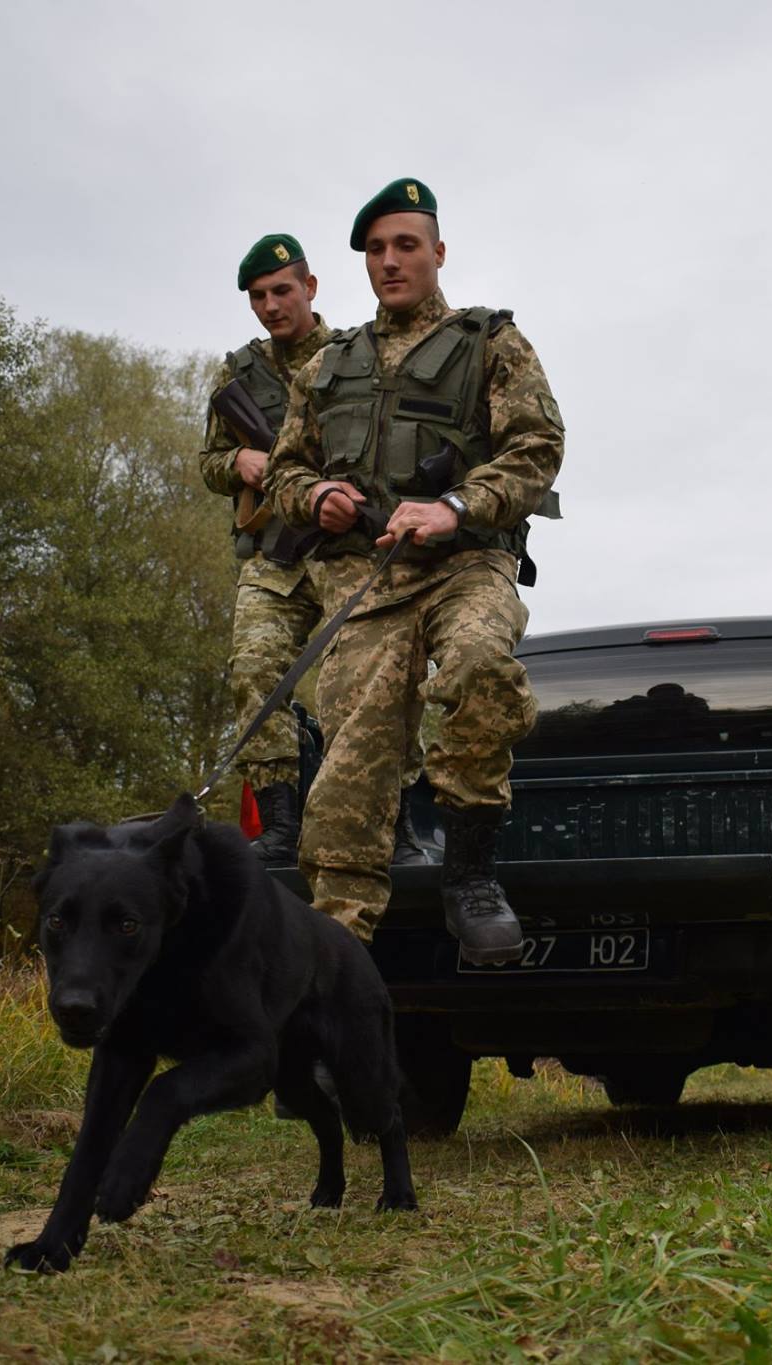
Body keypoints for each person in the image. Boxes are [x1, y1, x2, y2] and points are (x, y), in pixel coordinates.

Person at [264, 178, 563, 961]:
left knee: (478, 667)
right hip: (368, 581)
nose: (390, 261)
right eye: (375, 249)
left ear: (437, 253)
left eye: (405, 245)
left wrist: (457, 507)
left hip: (466, 563)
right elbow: (284, 472)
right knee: (347, 771)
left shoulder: (491, 343)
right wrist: (316, 494)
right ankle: (333, 960)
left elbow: (537, 449)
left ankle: (468, 874)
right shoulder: (328, 364)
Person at [197, 233, 428, 866]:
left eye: (281, 291)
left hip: (342, 553)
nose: (271, 306)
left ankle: (397, 819)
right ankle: (278, 820)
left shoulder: (356, 357)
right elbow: (209, 461)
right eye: (258, 297)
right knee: (253, 669)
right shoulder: (238, 372)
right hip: (273, 556)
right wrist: (239, 461)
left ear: (311, 288)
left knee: (370, 683)